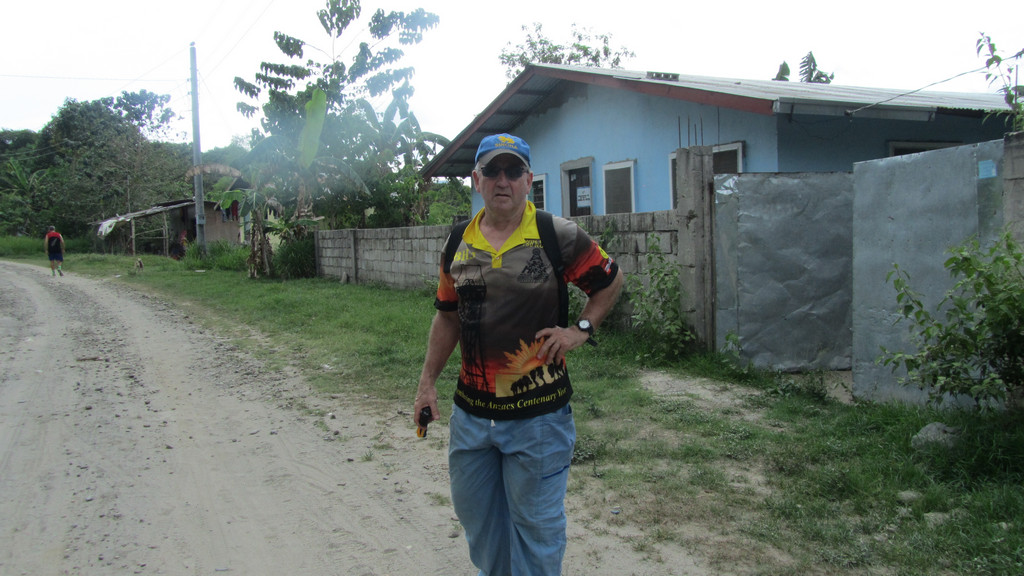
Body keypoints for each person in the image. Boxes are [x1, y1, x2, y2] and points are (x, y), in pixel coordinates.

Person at [413, 133, 623, 575]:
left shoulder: (556, 234)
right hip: (472, 417)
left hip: (538, 418)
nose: (502, 180)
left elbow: (609, 281)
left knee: (536, 529)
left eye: (513, 171)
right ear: (477, 180)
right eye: (492, 171)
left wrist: (580, 330)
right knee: (479, 521)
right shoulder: (458, 242)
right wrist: (427, 383)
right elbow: (448, 317)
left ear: (529, 180)